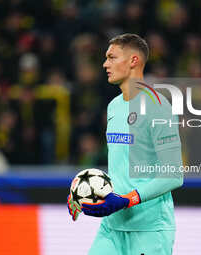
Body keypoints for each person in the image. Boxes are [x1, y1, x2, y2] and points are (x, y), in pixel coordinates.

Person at [68, 33, 183, 255]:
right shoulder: (114, 107)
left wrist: (126, 200)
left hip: (148, 230)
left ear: (133, 61)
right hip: (112, 227)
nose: (105, 64)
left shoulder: (158, 107)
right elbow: (120, 168)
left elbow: (174, 174)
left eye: (112, 57)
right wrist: (82, 193)